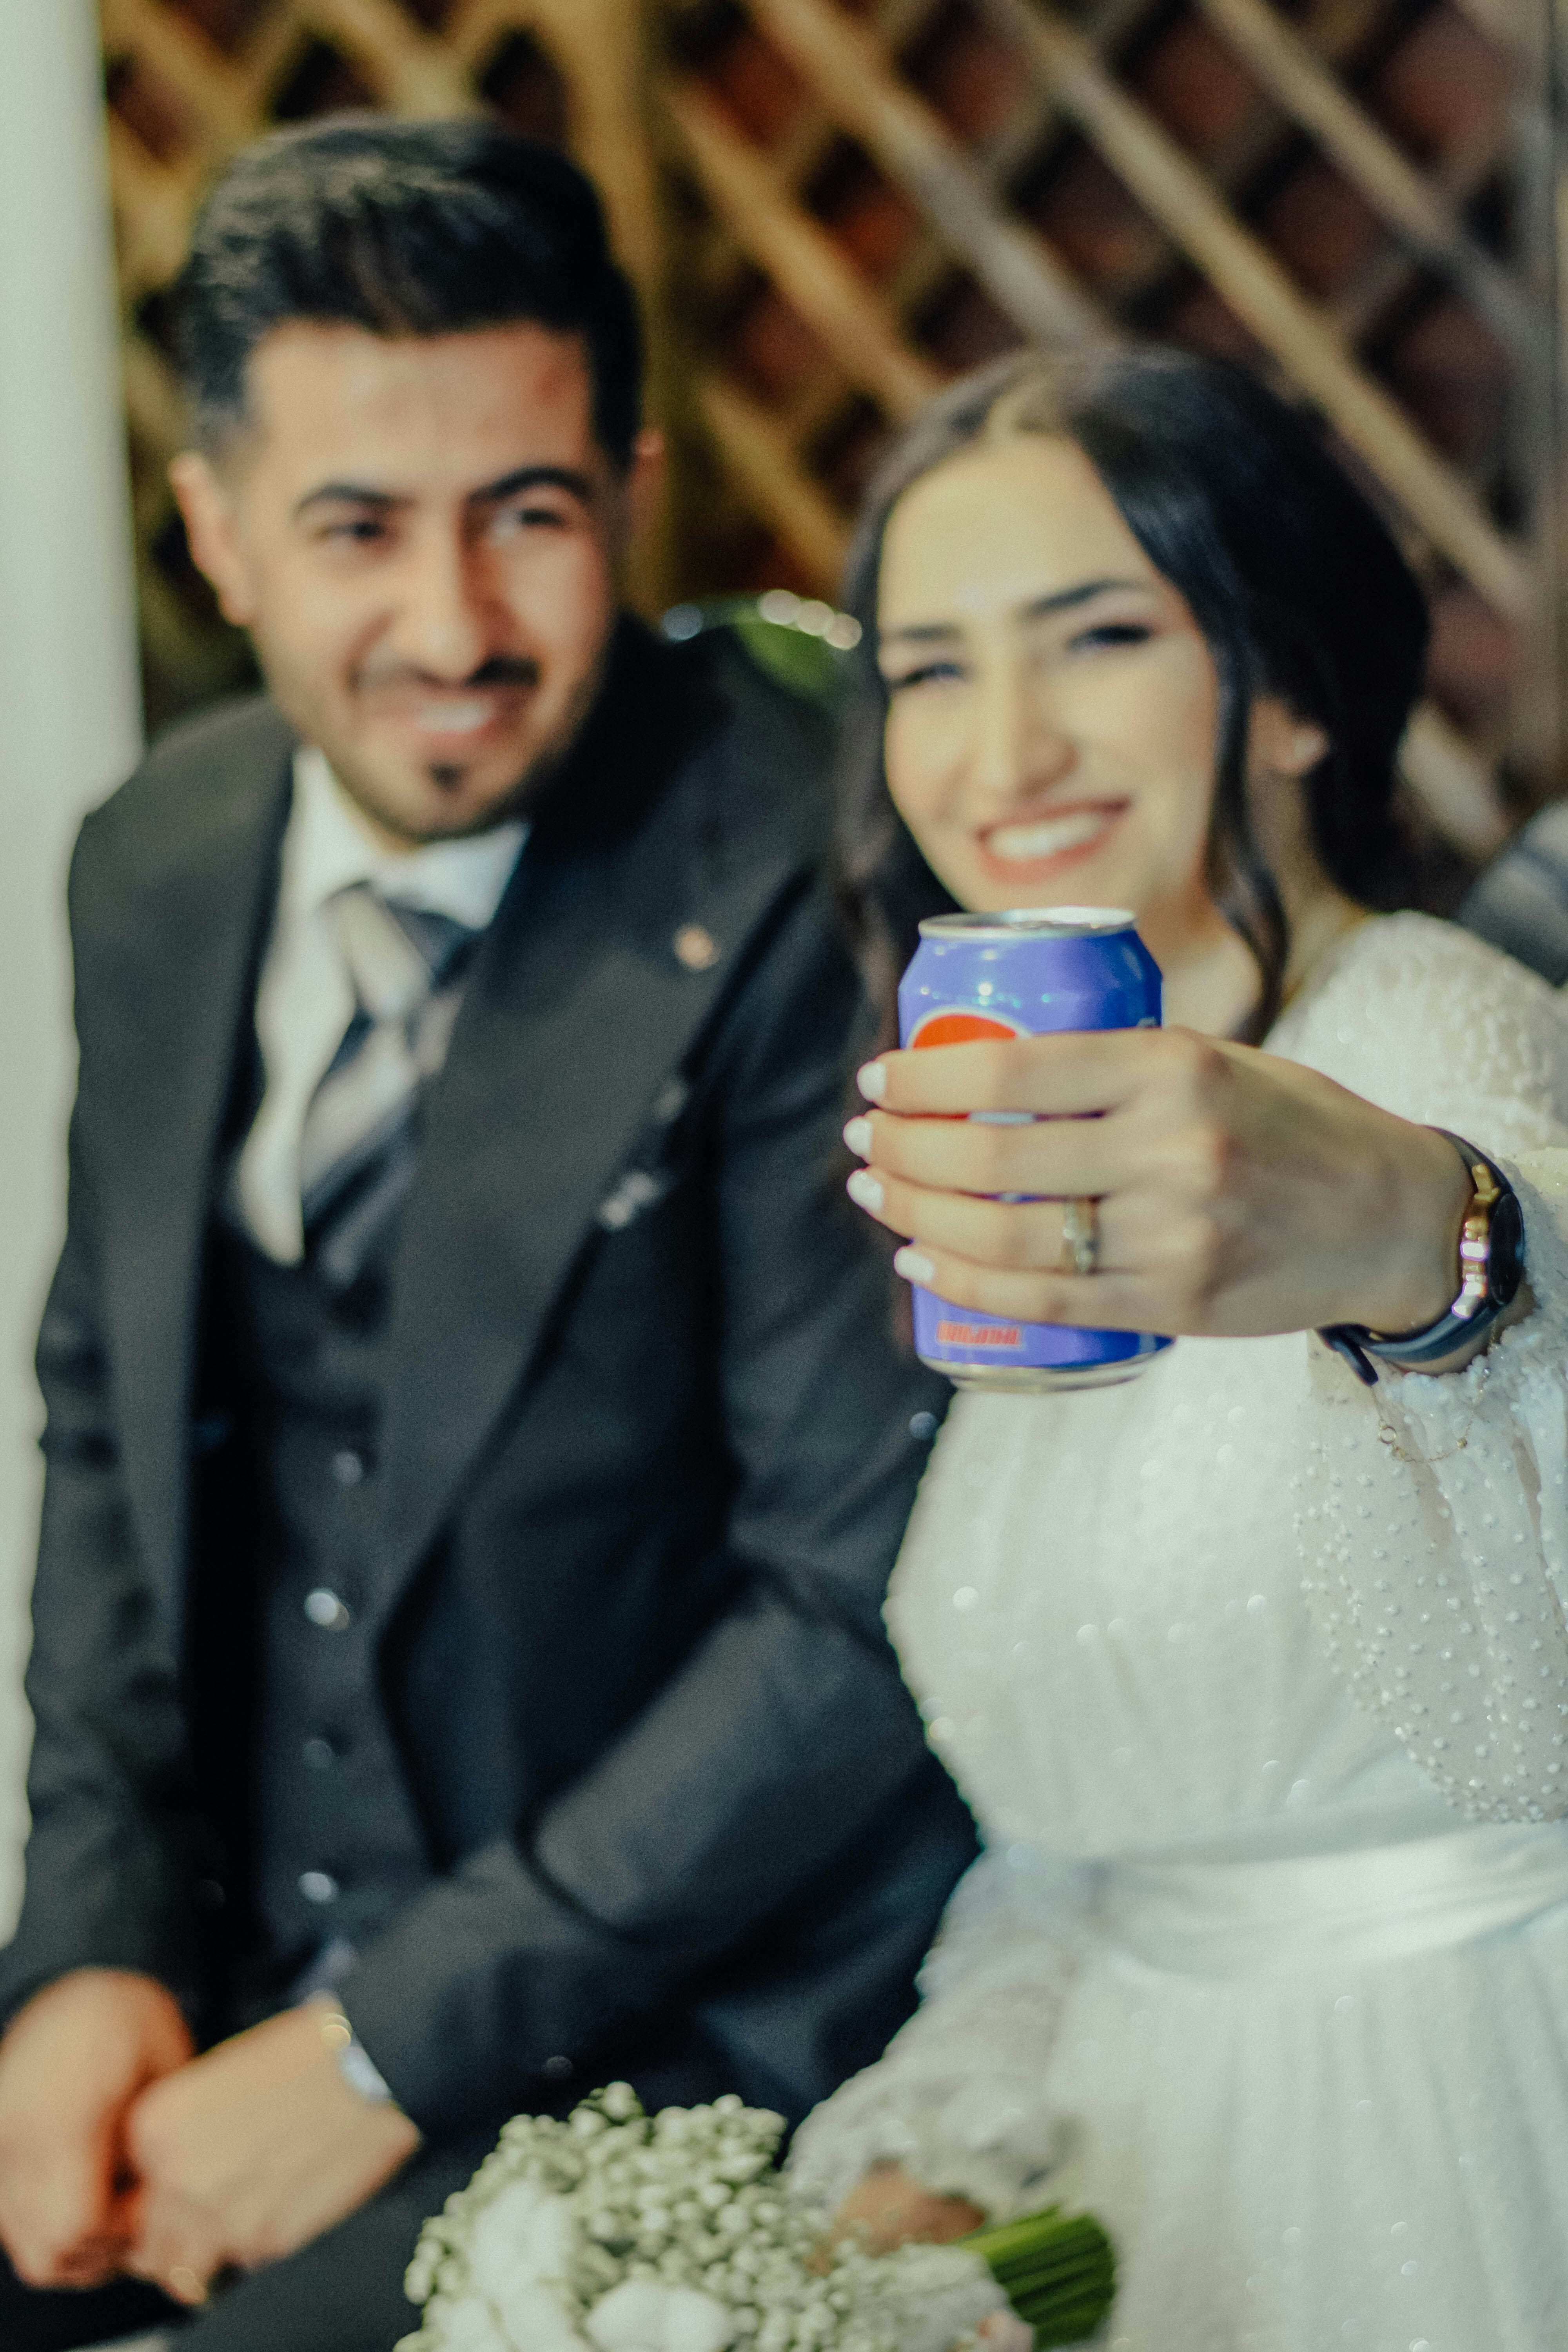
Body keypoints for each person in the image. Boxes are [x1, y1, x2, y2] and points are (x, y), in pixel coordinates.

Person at [0, 119, 976, 2352]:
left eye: (527, 517)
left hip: (663, 2021)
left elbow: (849, 1609)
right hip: (229, 1974)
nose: (452, 628)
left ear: (629, 493)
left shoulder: (815, 858)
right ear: (217, 533)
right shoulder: (156, 856)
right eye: (357, 529)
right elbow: (103, 1436)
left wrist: (372, 2056)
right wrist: (89, 1948)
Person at [786, 347, 1568, 2351]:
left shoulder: (1425, 1042)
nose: (1004, 747)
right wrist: (931, 2170)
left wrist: (1436, 1241)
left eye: (1099, 637)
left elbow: (1507, 1294)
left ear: (1290, 686)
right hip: (1144, 2185)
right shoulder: (1016, 1167)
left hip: (1459, 2135)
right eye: (931, 671)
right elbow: (1086, 1843)